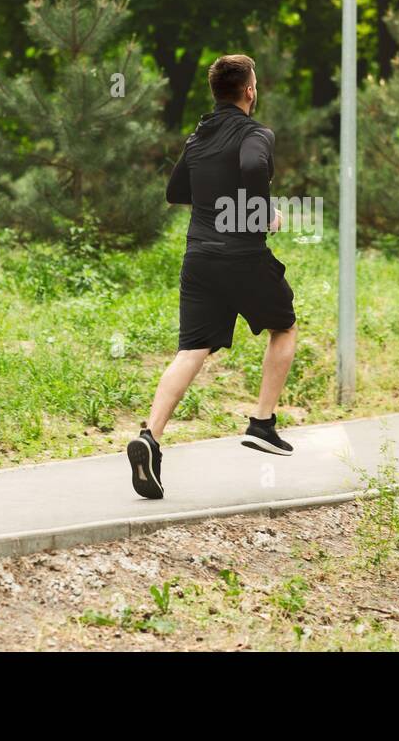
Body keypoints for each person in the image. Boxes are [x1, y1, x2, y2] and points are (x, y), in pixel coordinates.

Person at [126, 54, 298, 500]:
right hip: (241, 257)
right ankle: (262, 421)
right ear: (249, 91)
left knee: (191, 351)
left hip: (198, 257)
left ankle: (150, 437)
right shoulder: (256, 134)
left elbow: (175, 191)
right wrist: (262, 214)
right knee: (284, 327)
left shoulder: (198, 137)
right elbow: (254, 167)